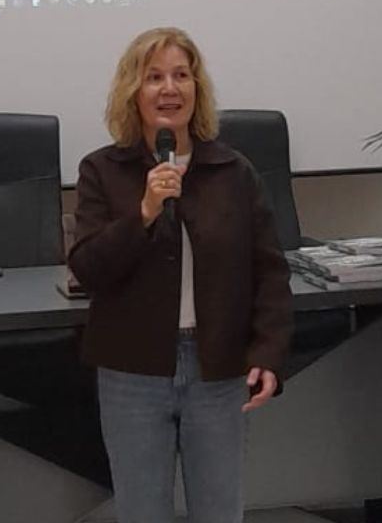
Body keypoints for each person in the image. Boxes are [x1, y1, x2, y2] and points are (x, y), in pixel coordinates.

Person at [69, 27, 292, 523]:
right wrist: (144, 211)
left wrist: (269, 353)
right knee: (142, 512)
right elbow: (88, 268)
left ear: (197, 89)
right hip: (131, 370)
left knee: (220, 512)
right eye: (154, 77)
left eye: (181, 75)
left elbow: (270, 272)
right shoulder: (102, 171)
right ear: (133, 91)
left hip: (219, 369)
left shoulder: (232, 171)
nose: (169, 89)